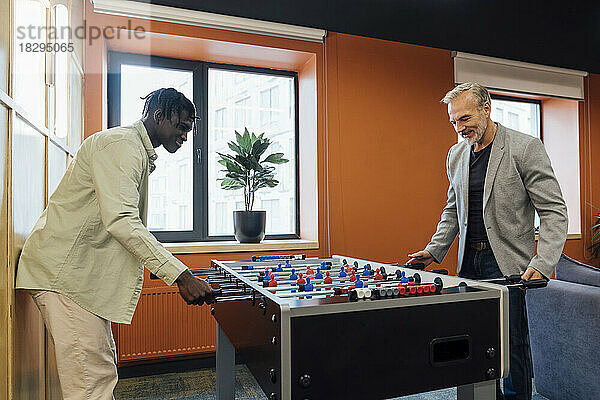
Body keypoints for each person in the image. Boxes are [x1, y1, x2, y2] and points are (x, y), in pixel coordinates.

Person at [15, 88, 215, 400]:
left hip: (76, 278)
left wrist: (159, 267)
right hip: (65, 277)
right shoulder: (122, 146)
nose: (185, 137)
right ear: (158, 116)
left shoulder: (133, 149)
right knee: (90, 384)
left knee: (100, 370)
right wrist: (180, 275)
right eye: (181, 127)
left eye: (189, 130)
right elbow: (122, 220)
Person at [408, 82, 568, 400]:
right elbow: (453, 211)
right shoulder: (455, 155)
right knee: (472, 343)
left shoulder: (524, 147)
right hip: (469, 262)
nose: (460, 127)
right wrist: (433, 250)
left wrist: (544, 261)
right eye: (454, 121)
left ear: (486, 109)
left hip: (508, 263)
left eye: (465, 118)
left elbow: (554, 211)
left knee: (512, 346)